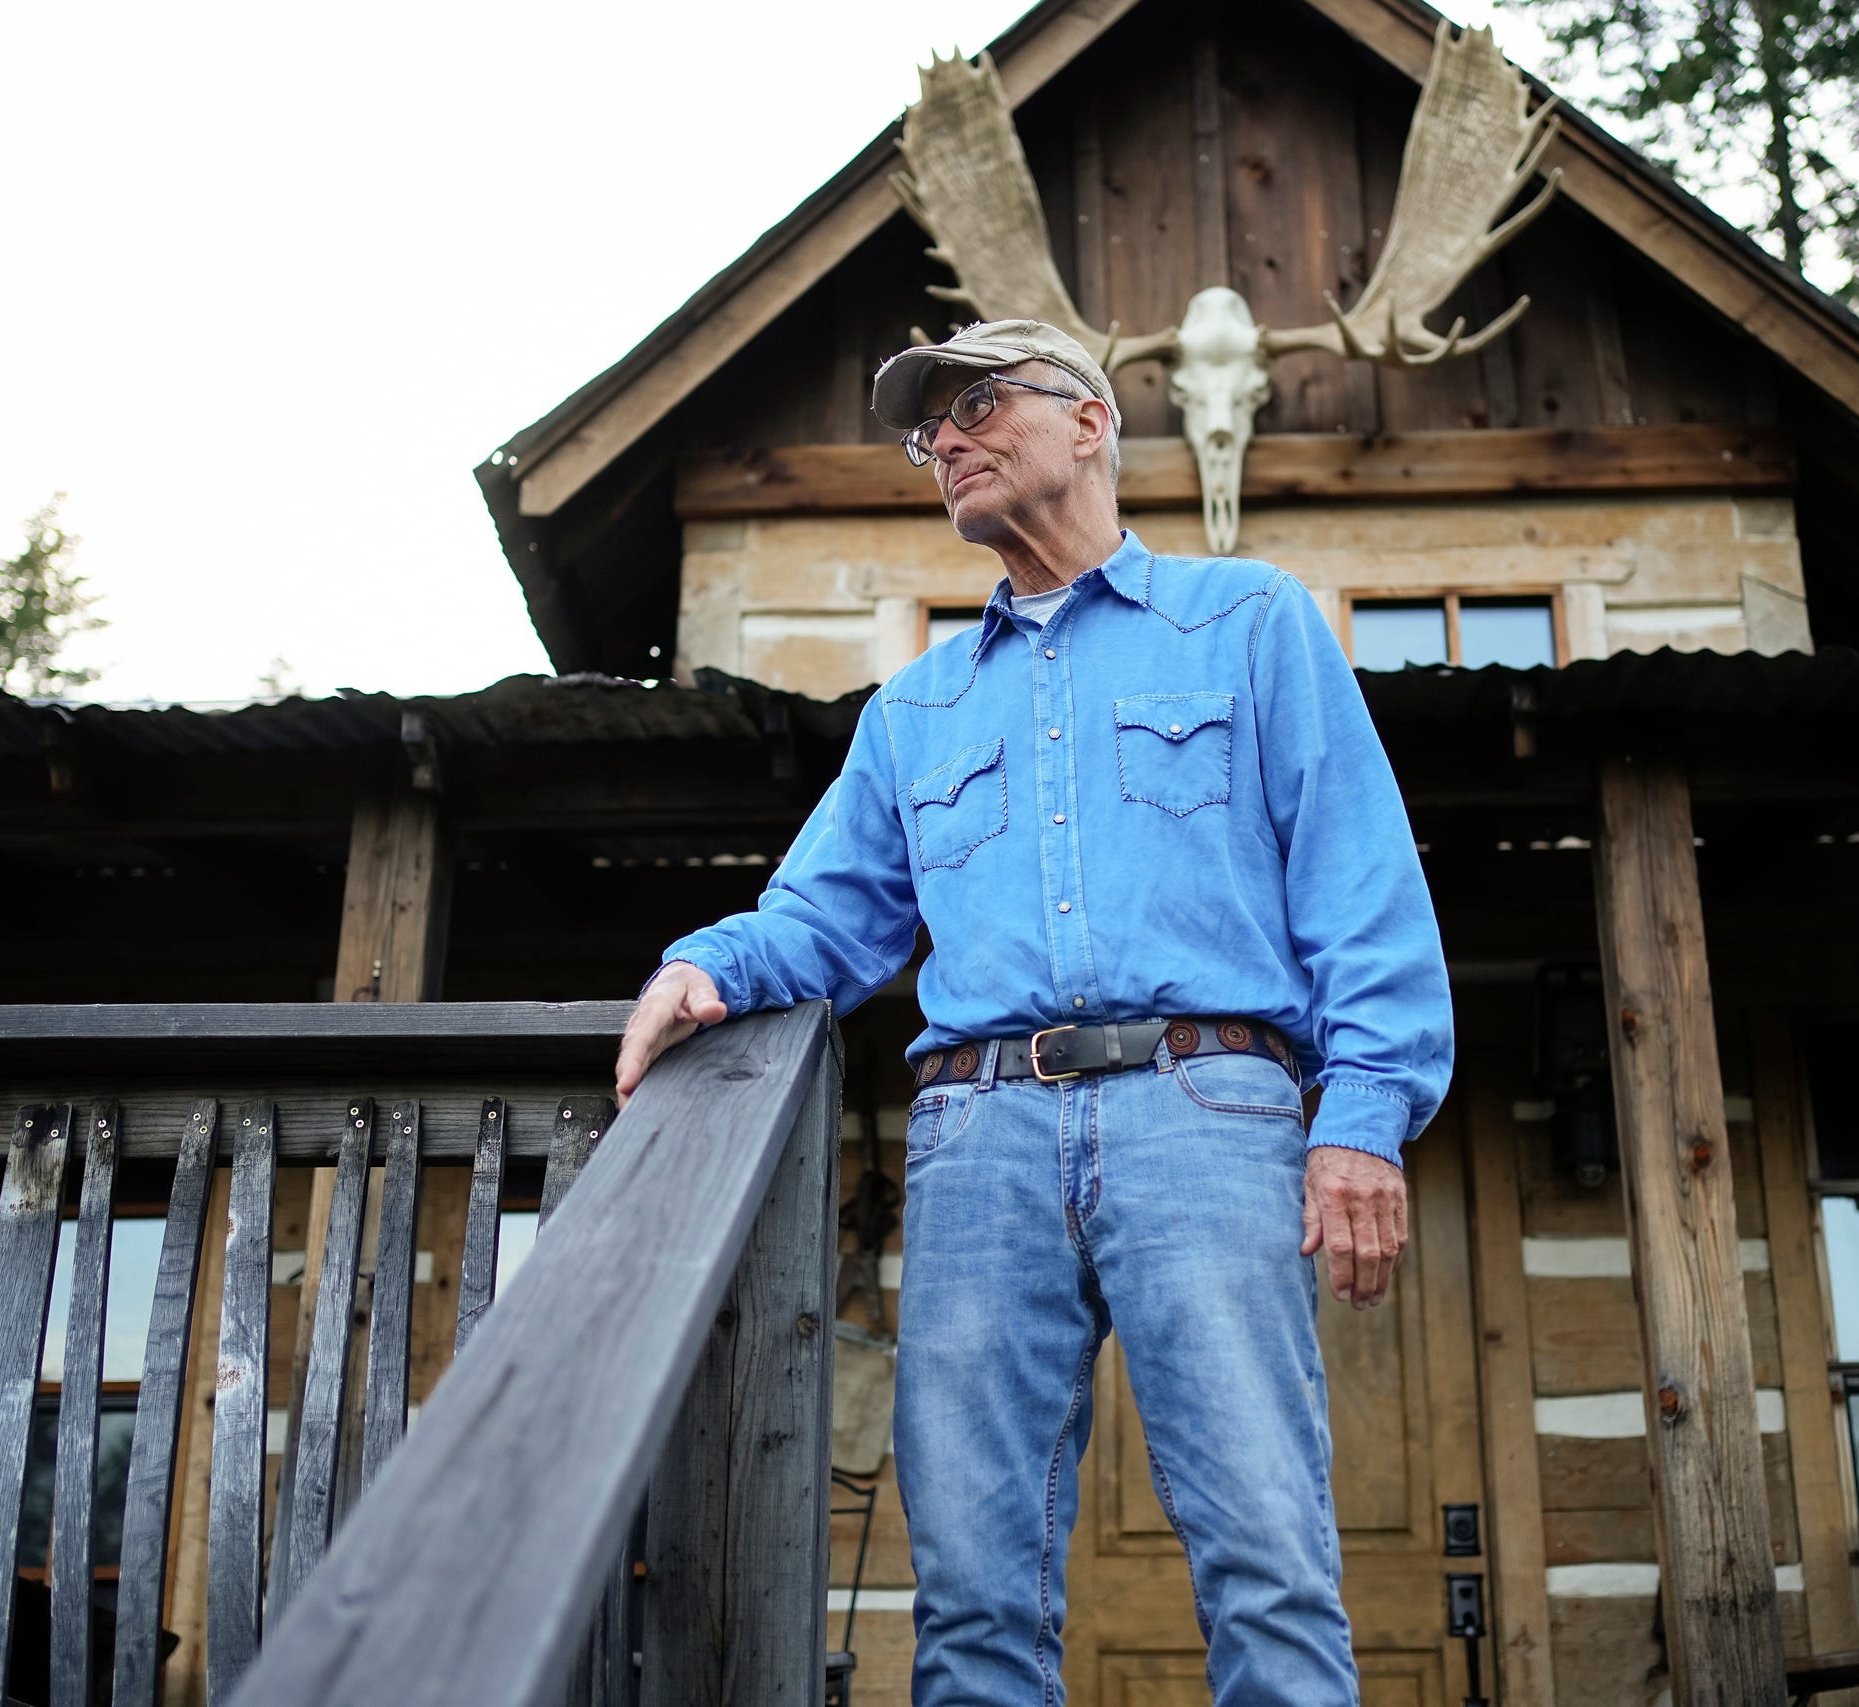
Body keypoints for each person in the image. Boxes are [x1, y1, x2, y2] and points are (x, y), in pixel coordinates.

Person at [613, 318, 1453, 1706]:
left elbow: (1359, 884)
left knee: (1269, 1561)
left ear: (1089, 421)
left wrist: (1362, 1115)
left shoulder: (1250, 624)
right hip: (978, 1140)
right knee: (974, 1596)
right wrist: (706, 966)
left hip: (1211, 1111)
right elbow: (823, 921)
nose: (946, 440)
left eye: (979, 404)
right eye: (927, 428)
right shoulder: (915, 713)